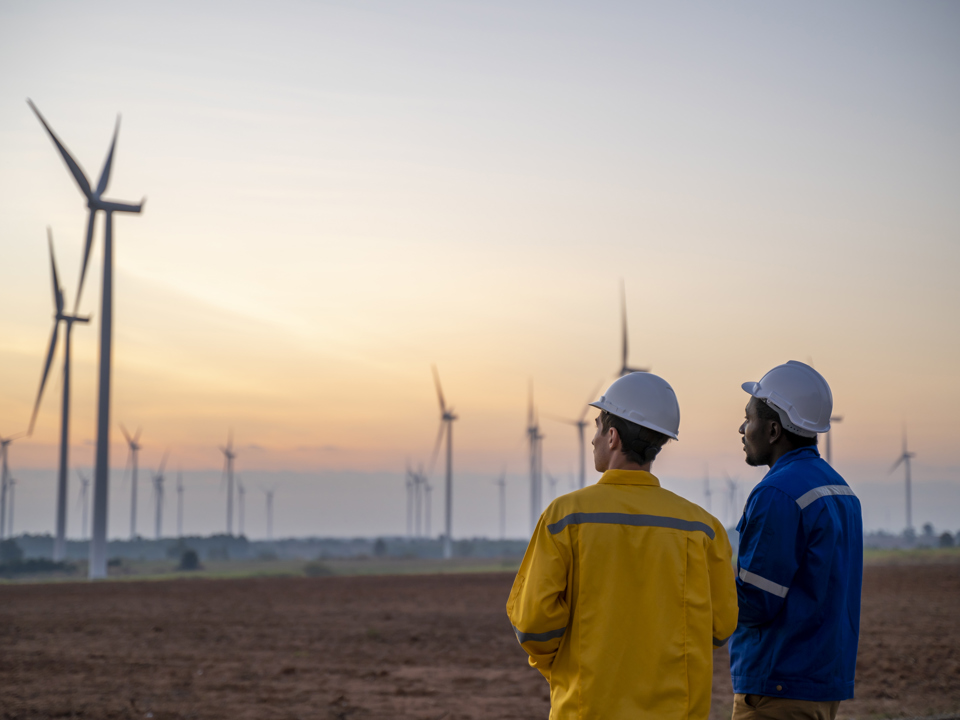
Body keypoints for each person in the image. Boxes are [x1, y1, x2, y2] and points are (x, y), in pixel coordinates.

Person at [506, 372, 738, 720]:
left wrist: (567, 666)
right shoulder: (703, 528)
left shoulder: (564, 518)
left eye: (597, 428)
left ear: (612, 436)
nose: (593, 439)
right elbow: (720, 626)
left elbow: (533, 624)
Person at [731, 361, 863, 719]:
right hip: (822, 686)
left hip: (777, 688)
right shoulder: (841, 491)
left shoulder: (777, 492)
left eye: (748, 418)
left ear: (773, 430)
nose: (742, 428)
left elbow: (755, 602)